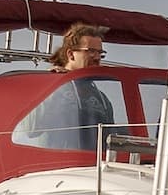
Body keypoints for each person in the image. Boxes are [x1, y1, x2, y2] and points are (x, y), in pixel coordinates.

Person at [37, 22, 116, 150]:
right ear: (71, 54)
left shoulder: (102, 99)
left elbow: (110, 141)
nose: (97, 57)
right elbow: (31, 130)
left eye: (100, 53)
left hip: (92, 162)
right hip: (57, 160)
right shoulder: (48, 88)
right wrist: (52, 84)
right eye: (91, 51)